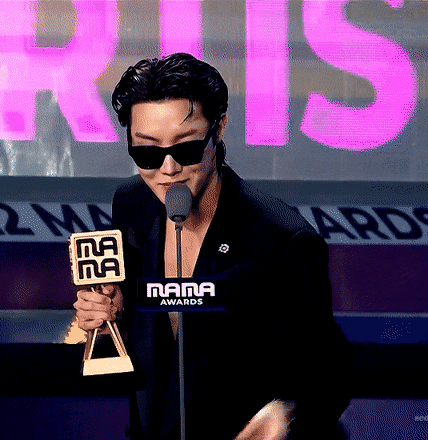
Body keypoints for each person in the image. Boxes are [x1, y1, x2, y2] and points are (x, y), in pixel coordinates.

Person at [74, 53, 353, 440]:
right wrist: (110, 316)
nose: (168, 169)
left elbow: (331, 374)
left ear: (218, 129)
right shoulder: (132, 203)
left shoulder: (282, 239)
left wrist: (285, 414)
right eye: (147, 153)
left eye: (186, 149)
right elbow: (146, 333)